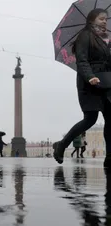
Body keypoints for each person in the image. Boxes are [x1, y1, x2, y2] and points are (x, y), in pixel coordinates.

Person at [53, 8, 111, 167]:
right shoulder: (85, 36)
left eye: (106, 19)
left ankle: (110, 157)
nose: (105, 21)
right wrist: (90, 76)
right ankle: (62, 145)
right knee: (90, 120)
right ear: (92, 20)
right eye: (101, 19)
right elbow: (82, 60)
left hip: (106, 83)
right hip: (90, 82)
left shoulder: (106, 39)